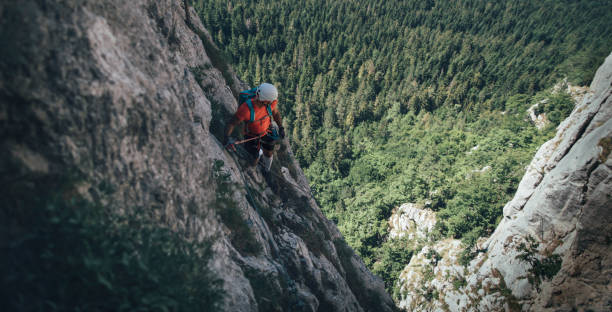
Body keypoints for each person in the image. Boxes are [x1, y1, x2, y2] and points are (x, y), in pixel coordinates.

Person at [225, 83, 285, 172]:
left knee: (269, 153)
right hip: (251, 135)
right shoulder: (246, 109)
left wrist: (281, 127)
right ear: (266, 101)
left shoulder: (269, 105)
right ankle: (253, 166)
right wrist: (226, 138)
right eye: (271, 100)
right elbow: (232, 123)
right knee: (254, 157)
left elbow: (275, 113)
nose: (273, 102)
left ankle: (267, 170)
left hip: (267, 131)